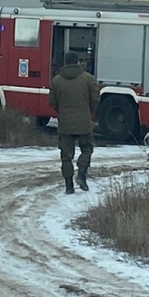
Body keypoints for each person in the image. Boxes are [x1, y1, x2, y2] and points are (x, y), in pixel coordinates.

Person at [48, 51, 100, 194]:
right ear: (78, 61)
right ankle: (82, 174)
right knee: (87, 149)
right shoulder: (88, 79)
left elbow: (52, 102)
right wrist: (89, 112)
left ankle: (69, 186)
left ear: (65, 62)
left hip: (65, 123)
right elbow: (95, 99)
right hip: (84, 122)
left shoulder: (56, 80)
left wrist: (61, 112)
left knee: (66, 156)